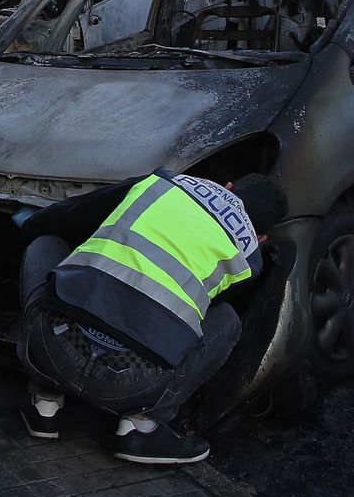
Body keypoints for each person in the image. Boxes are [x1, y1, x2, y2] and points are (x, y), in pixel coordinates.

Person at [14, 172, 288, 464]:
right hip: (131, 384)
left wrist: (30, 221)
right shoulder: (249, 258)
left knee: (46, 244)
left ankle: (44, 400)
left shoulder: (161, 182)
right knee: (228, 322)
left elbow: (74, 213)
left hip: (52, 349)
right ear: (260, 238)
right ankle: (142, 426)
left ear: (227, 185)